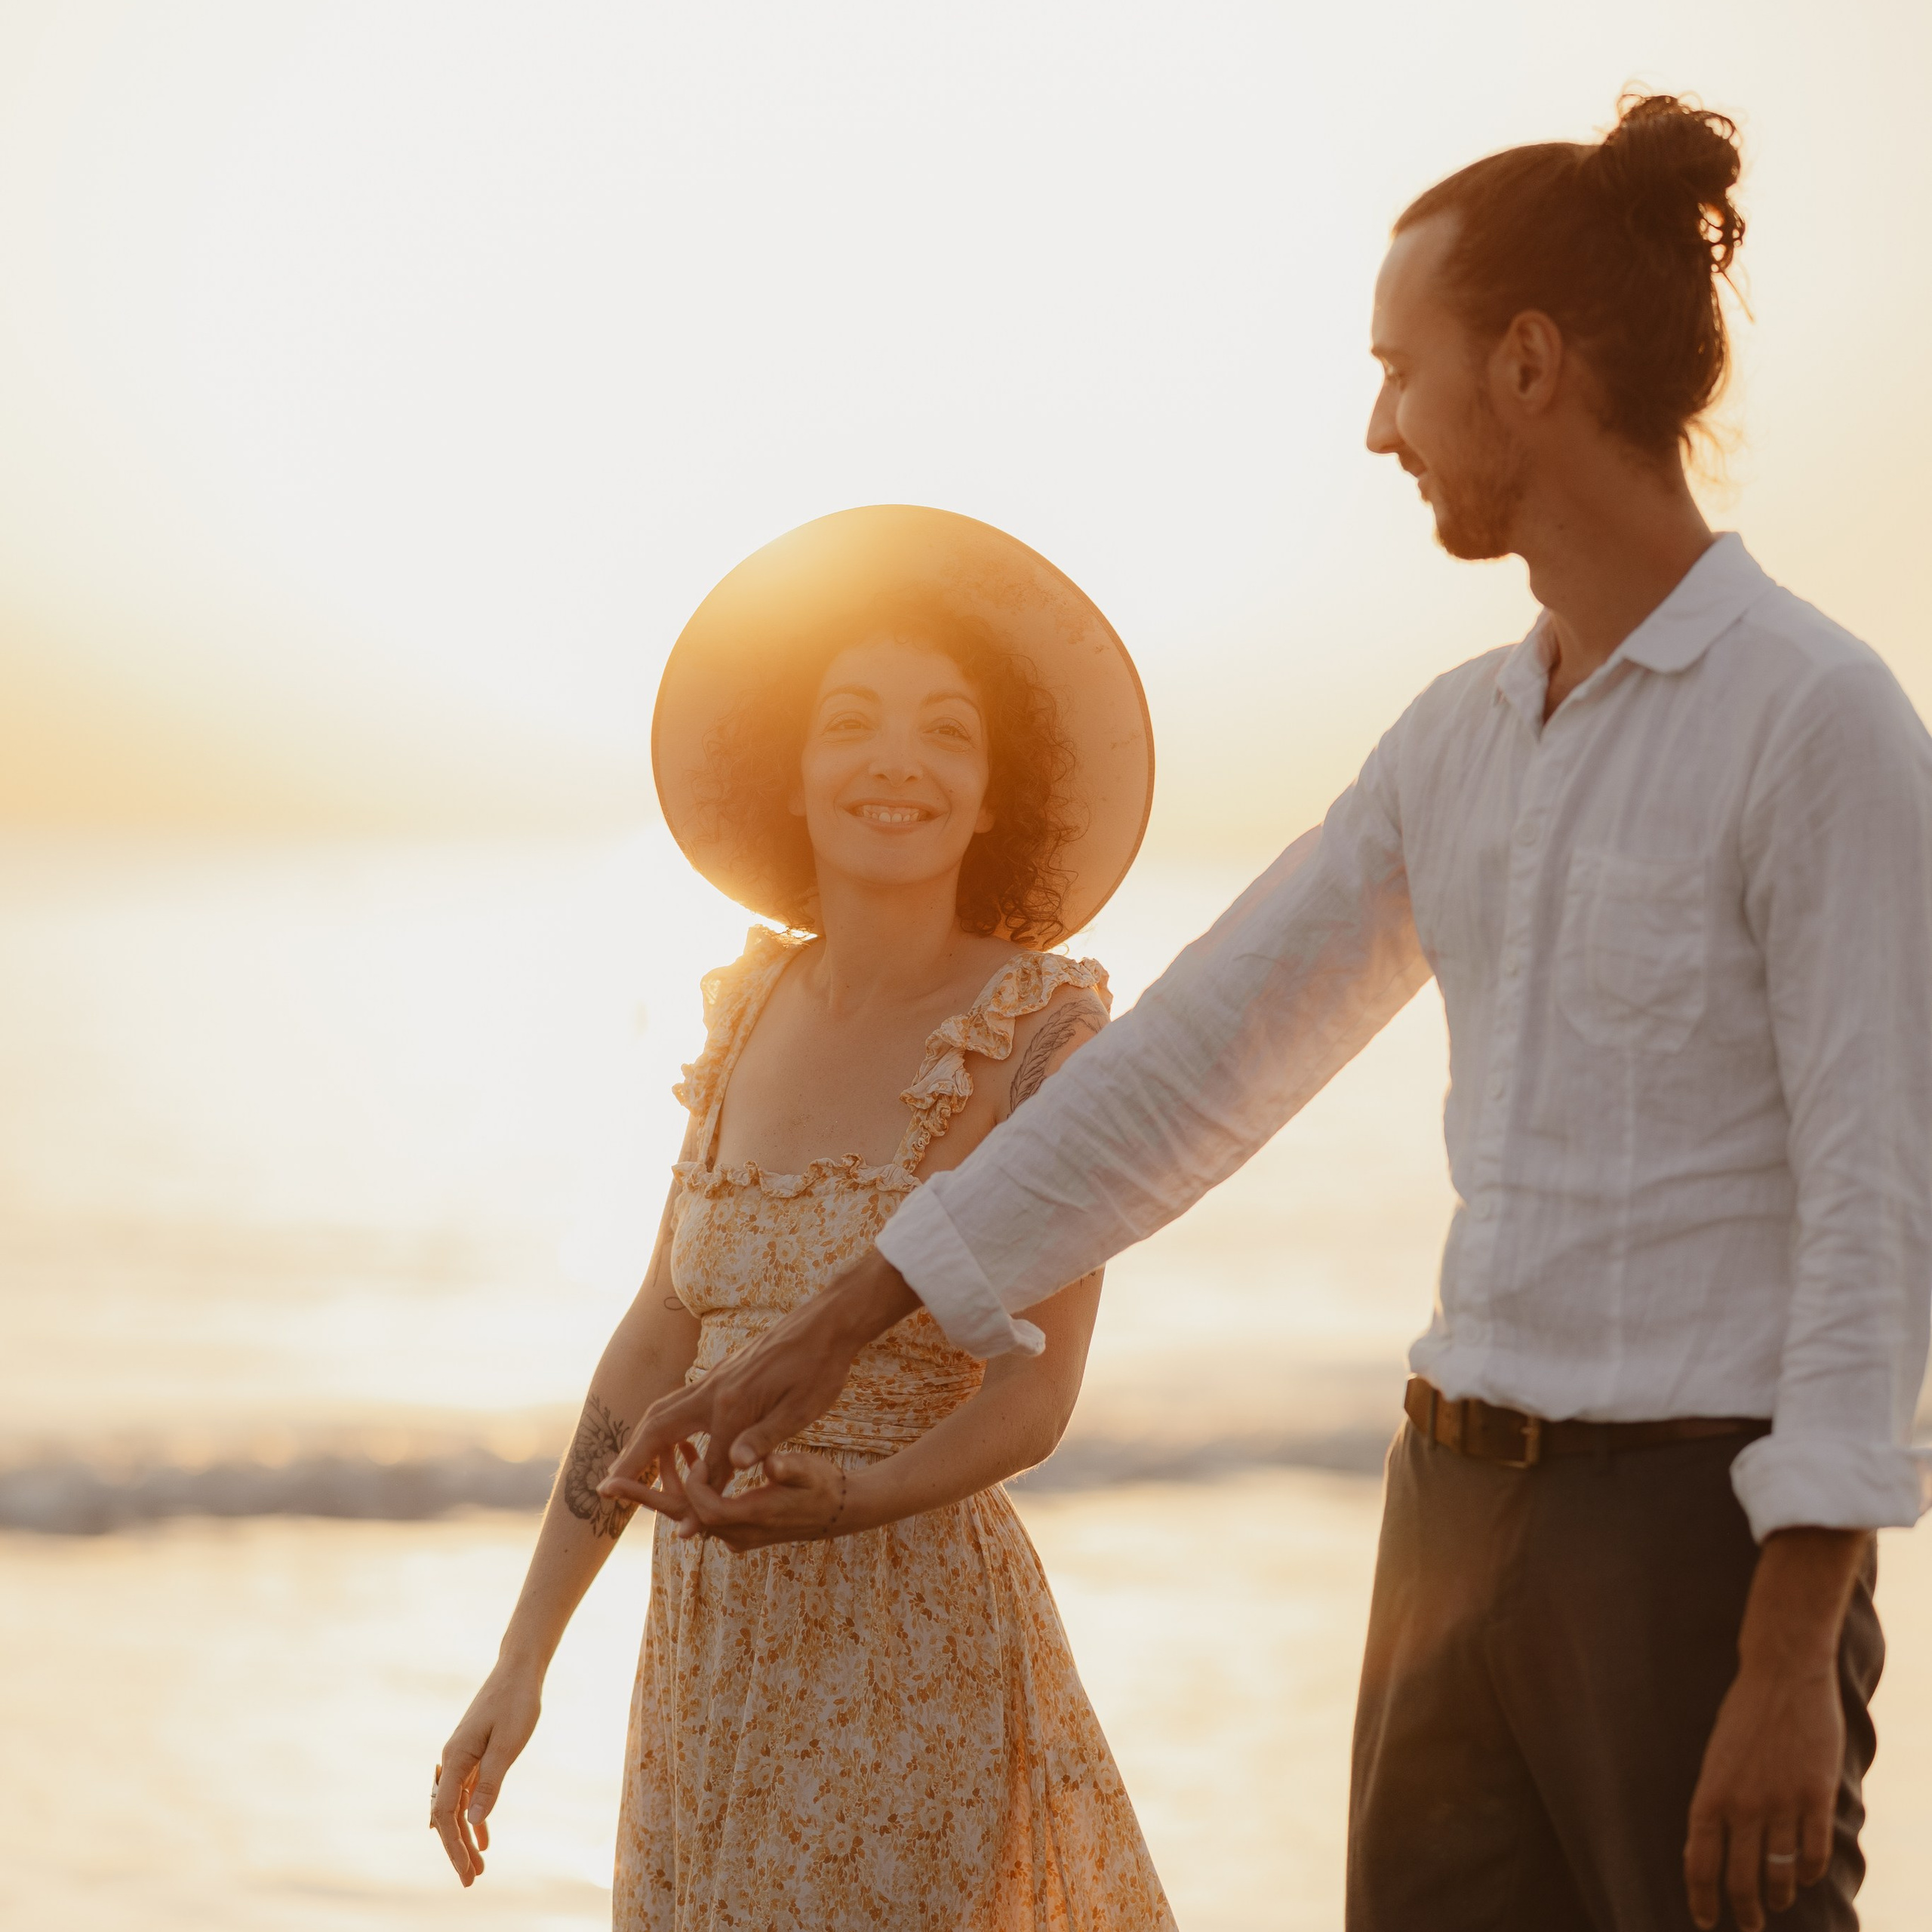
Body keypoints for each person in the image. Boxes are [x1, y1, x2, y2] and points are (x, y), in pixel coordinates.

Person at [608, 95, 1932, 1932]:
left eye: (1404, 369)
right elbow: (1190, 1063)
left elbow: (1878, 1202)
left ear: (1529, 367)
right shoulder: (1456, 740)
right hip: (1450, 1511)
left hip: (1690, 1535)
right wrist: (839, 1318)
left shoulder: (1815, 721)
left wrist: (1794, 1637)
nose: (1378, 423)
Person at [431, 506, 1174, 1930]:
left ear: (990, 792)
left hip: (916, 1660)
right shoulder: (746, 1009)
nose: (895, 761)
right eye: (852, 722)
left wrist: (847, 1502)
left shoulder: (1044, 1036)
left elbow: (1040, 1393)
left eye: (946, 732)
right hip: (709, 1658)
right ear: (798, 765)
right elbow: (654, 1345)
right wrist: (523, 1659)